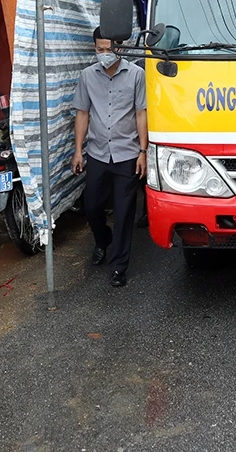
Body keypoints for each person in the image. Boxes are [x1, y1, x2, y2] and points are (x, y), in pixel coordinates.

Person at [71, 27, 148, 287]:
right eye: (99, 49)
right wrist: (78, 150)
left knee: (125, 211)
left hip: (127, 153)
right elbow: (82, 113)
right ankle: (103, 240)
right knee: (92, 206)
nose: (104, 54)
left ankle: (119, 266)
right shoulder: (87, 76)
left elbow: (141, 114)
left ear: (121, 48)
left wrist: (143, 151)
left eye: (109, 49)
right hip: (98, 153)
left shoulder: (137, 76)